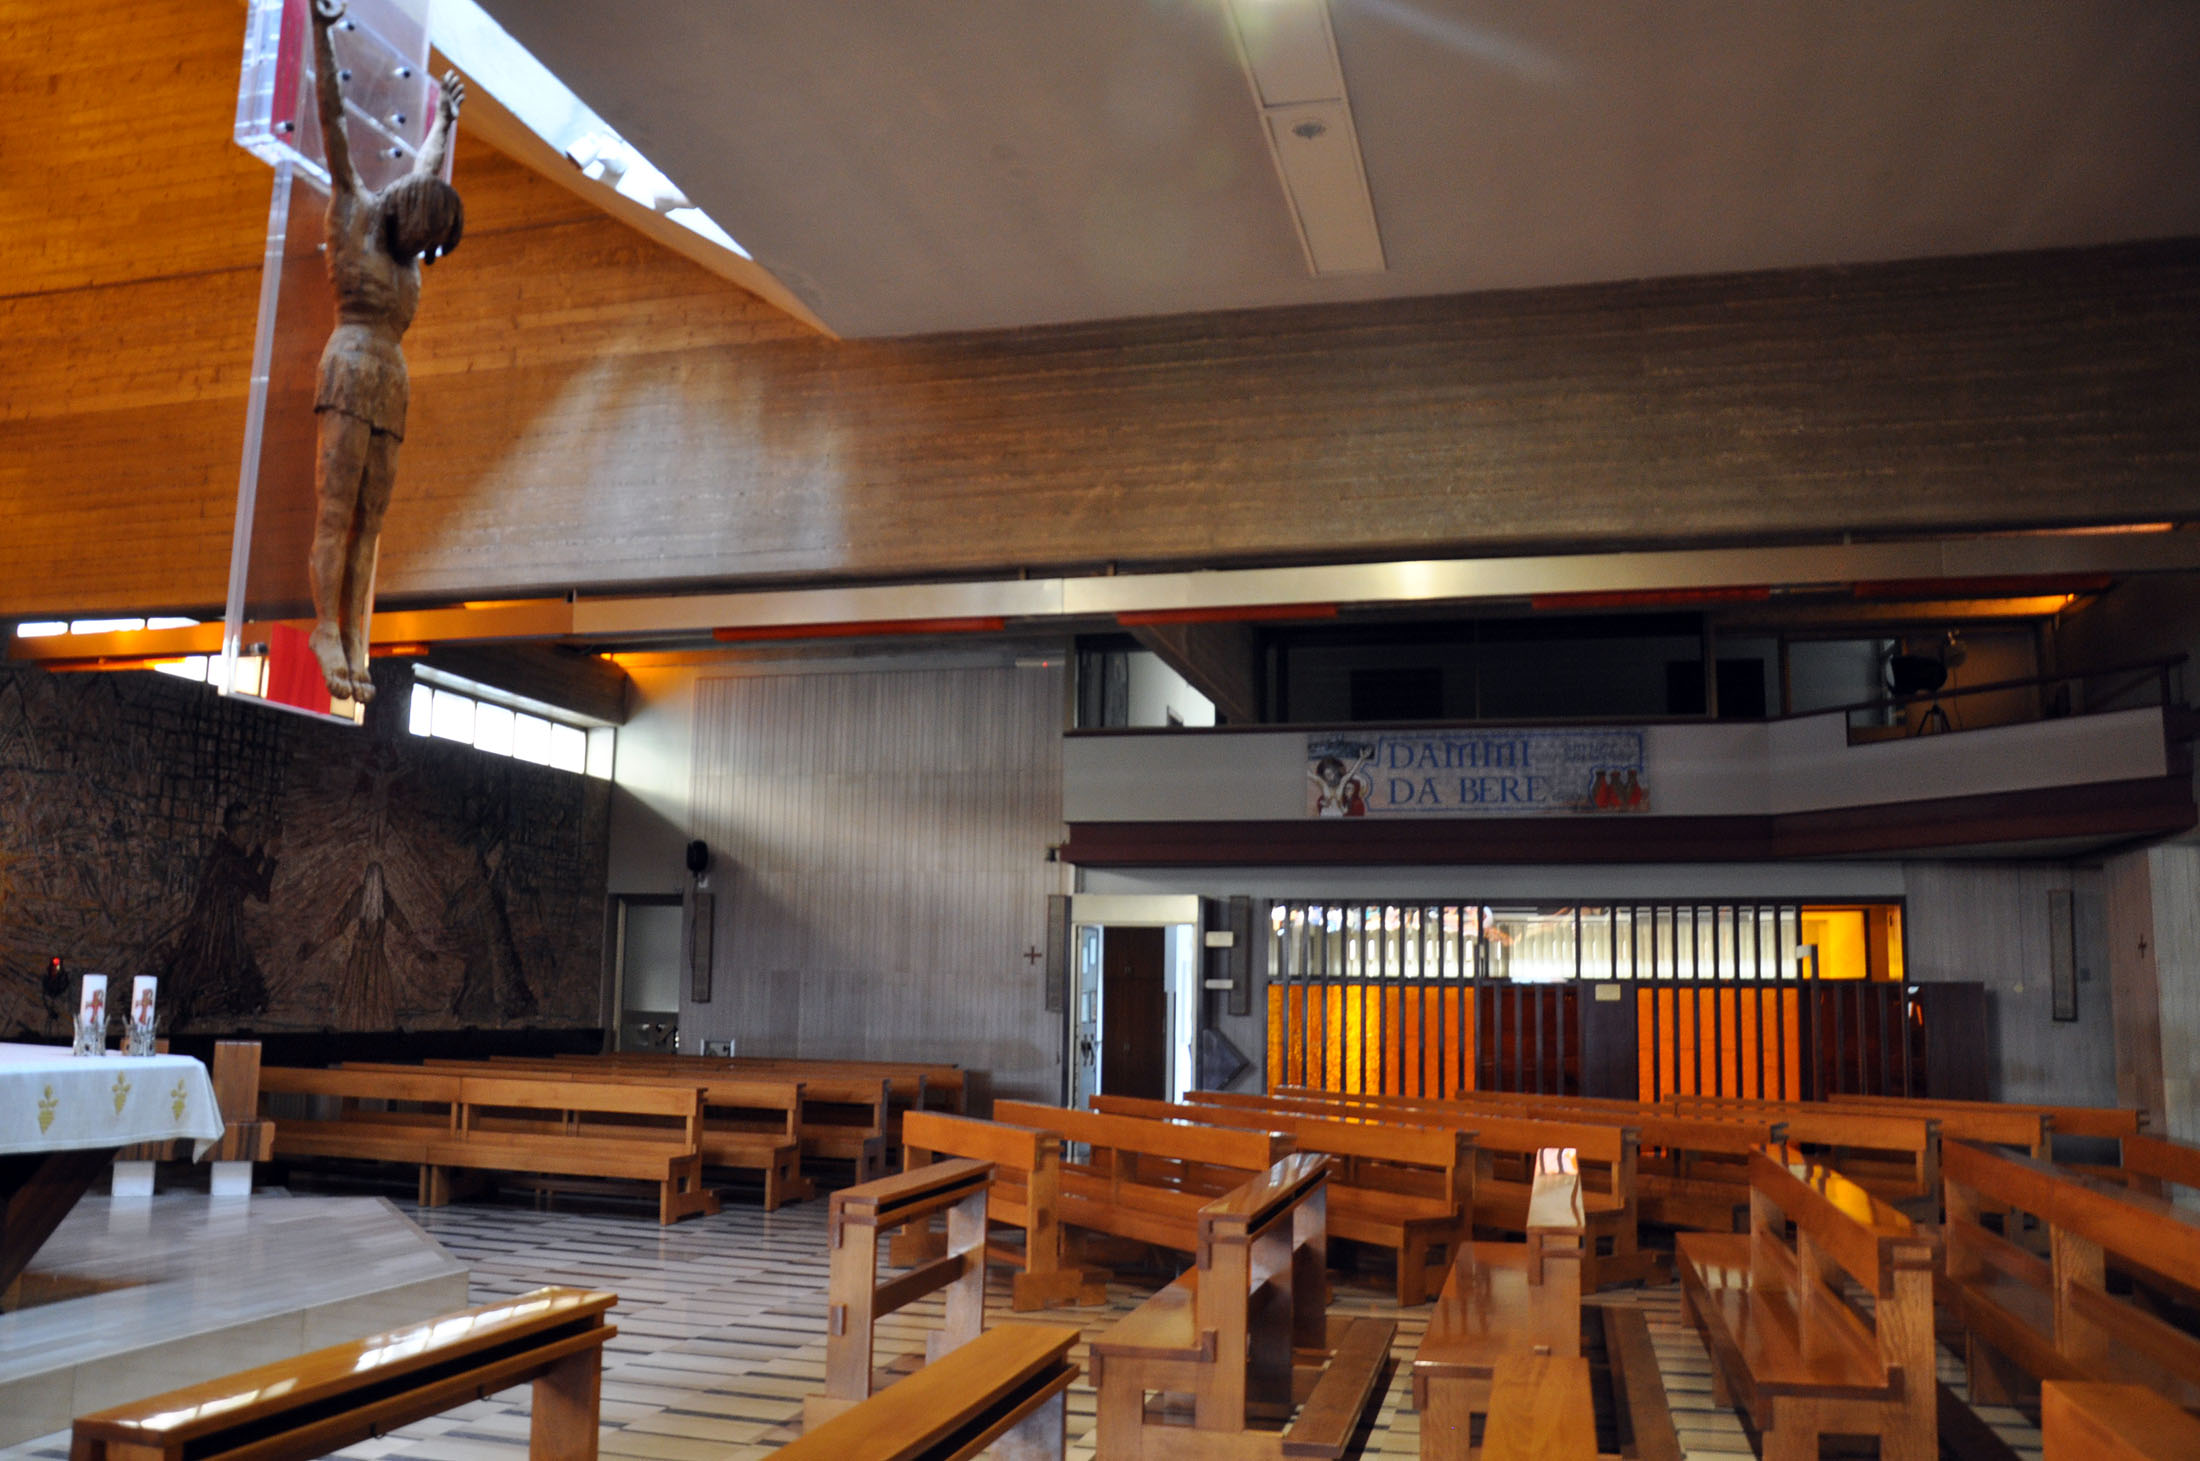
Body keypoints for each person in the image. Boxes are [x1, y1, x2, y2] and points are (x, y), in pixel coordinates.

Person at [307, 0, 466, 702]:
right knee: (337, 509)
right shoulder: (354, 210)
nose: (419, 253)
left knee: (372, 521)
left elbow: (428, 167)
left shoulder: (408, 243)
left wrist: (445, 119)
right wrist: (321, 31)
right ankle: (326, 627)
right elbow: (333, 121)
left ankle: (357, 634)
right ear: (403, 214)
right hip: (349, 365)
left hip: (391, 380)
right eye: (420, 238)